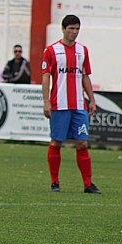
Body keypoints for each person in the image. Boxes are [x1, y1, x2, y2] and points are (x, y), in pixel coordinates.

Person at [42, 15, 100, 195]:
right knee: (56, 142)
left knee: (82, 143)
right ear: (63, 29)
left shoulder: (83, 50)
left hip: (79, 105)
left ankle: (88, 184)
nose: (74, 32)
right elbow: (45, 76)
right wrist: (45, 102)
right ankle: (54, 181)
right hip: (59, 104)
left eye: (77, 29)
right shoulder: (51, 50)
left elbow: (85, 76)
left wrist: (92, 99)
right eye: (71, 29)